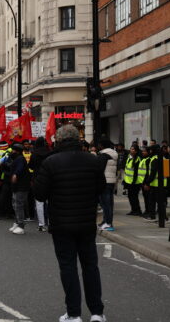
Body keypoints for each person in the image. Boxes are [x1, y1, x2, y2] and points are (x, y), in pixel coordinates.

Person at [34, 125, 106, 322]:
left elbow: (39, 194)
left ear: (59, 140)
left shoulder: (51, 162)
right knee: (90, 266)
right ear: (76, 139)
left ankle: (73, 314)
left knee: (68, 267)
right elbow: (100, 188)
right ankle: (97, 313)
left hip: (61, 224)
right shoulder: (92, 161)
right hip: (86, 222)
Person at [29, 137, 52, 232]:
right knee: (50, 201)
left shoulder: (34, 154)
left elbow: (30, 166)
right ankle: (51, 223)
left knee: (39, 202)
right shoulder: (49, 152)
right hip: (49, 177)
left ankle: (41, 224)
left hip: (37, 178)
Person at [97, 139, 118, 231]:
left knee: (105, 204)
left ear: (102, 145)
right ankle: (106, 221)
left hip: (104, 181)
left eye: (99, 145)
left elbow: (100, 169)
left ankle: (108, 223)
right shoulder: (113, 154)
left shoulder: (103, 155)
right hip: (111, 181)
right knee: (109, 203)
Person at [143, 144, 166, 223]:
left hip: (155, 184)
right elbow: (166, 173)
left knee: (153, 201)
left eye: (150, 150)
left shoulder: (154, 159)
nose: (149, 151)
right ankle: (162, 217)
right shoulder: (163, 158)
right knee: (160, 201)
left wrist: (147, 183)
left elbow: (152, 173)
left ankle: (154, 216)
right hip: (163, 184)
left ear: (152, 151)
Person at [9, 143, 29, 235]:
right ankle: (17, 222)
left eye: (13, 150)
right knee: (15, 204)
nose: (11, 151)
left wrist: (16, 174)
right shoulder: (16, 158)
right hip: (17, 186)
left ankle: (21, 226)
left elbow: (20, 168)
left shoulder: (20, 159)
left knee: (19, 205)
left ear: (17, 151)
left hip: (21, 186)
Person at [122, 145, 144, 216]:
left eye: (133, 149)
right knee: (130, 197)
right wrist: (125, 181)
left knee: (134, 197)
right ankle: (133, 210)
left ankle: (138, 210)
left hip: (135, 182)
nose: (131, 150)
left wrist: (134, 182)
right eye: (131, 149)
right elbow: (127, 170)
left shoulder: (138, 159)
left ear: (136, 151)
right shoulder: (129, 158)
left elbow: (136, 172)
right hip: (128, 181)